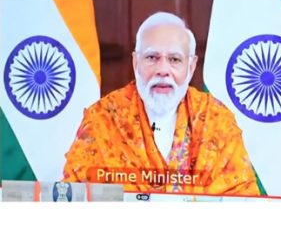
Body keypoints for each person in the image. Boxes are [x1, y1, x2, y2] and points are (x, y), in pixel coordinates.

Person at [63, 12, 260, 195]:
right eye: (152, 58)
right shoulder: (102, 118)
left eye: (174, 59)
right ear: (135, 62)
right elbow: (74, 197)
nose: (163, 70)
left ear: (191, 67)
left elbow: (241, 201)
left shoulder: (217, 121)